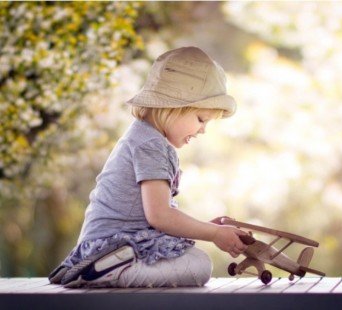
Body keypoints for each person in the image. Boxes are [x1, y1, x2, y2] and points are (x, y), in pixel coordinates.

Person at [48, 46, 248, 288]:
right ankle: (105, 270)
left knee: (191, 259)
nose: (203, 129)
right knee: (198, 266)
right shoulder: (151, 145)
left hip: (114, 243)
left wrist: (206, 227)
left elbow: (156, 215)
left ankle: (101, 267)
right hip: (116, 246)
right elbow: (160, 216)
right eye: (200, 119)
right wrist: (213, 234)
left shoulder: (144, 137)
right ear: (174, 107)